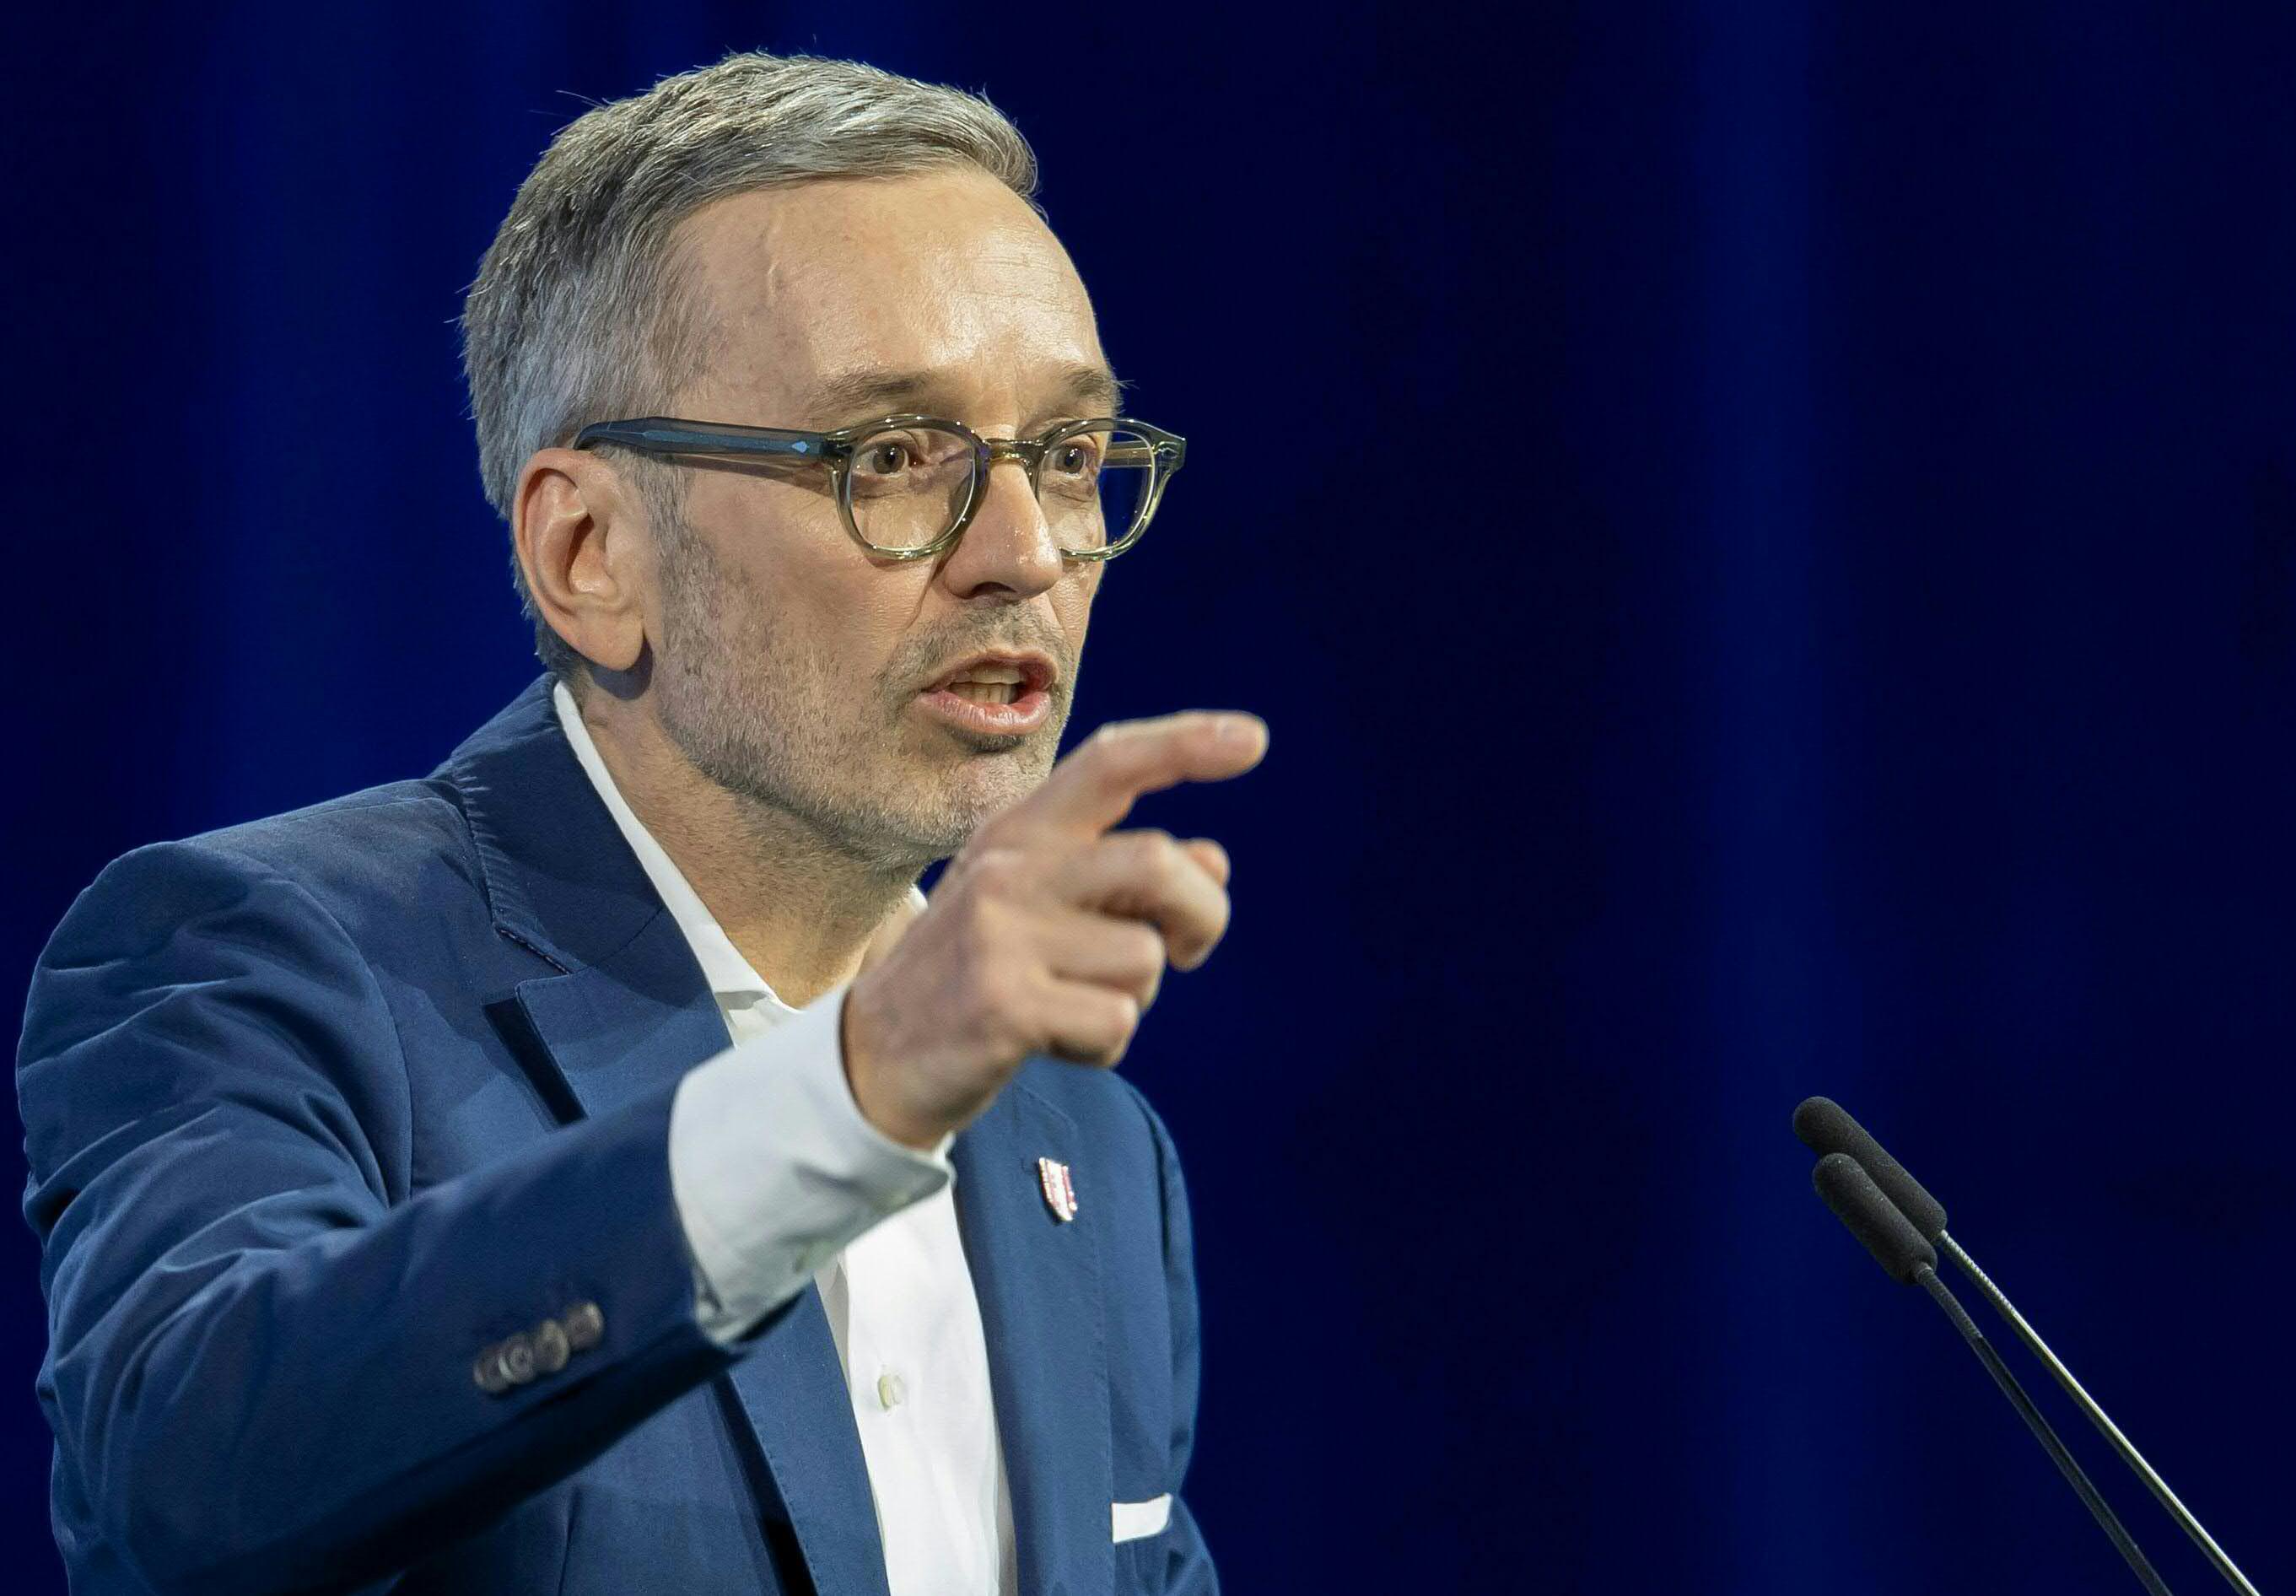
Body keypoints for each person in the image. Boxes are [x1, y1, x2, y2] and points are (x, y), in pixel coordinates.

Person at [16, 51, 1262, 1596]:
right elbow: (184, 1481)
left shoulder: (1090, 1145)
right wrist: (847, 1097)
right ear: (589, 553)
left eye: (1066, 458)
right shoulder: (264, 961)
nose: (1026, 553)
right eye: (891, 457)